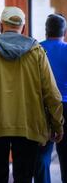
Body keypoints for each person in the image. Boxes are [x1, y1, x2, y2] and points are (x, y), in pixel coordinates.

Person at [0, 6, 64, 182]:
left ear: (0, 25)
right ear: (23, 28)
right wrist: (57, 123)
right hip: (29, 126)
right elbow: (52, 93)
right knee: (24, 177)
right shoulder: (37, 52)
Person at [35, 13, 67, 183]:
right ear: (65, 32)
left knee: (42, 155)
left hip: (43, 106)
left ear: (46, 31)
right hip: (66, 106)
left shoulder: (37, 50)